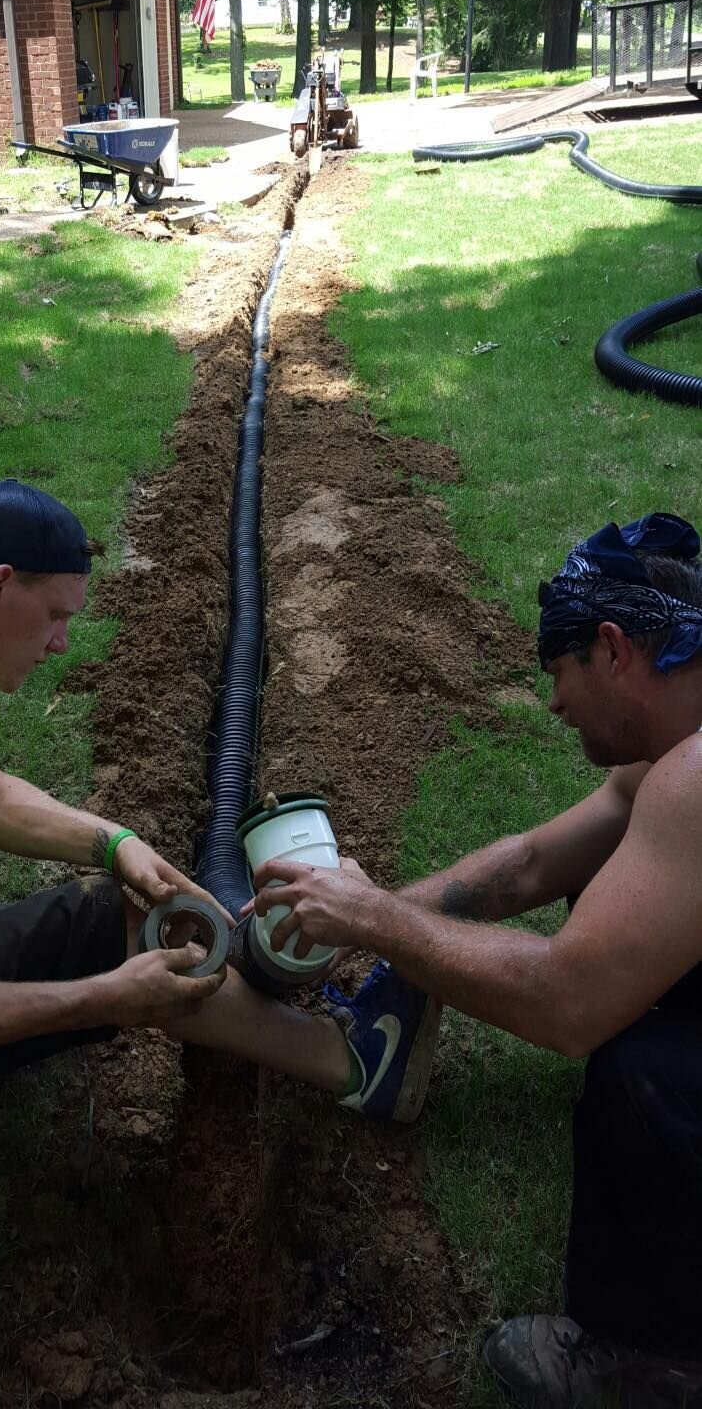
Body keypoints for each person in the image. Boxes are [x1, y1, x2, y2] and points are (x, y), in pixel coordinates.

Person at [0, 478, 439, 1151]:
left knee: (96, 915)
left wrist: (117, 844)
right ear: (0, 585)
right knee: (103, 932)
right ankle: (357, 1065)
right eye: (56, 616)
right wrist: (105, 998)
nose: (64, 643)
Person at [247, 512, 702, 1408]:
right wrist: (352, 915)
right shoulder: (670, 752)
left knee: (642, 1072)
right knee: (617, 899)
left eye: (559, 672)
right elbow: (531, 862)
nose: (553, 703)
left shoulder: (694, 783)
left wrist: (379, 922)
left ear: (613, 649)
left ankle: (655, 1357)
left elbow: (567, 1005)